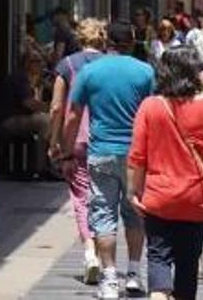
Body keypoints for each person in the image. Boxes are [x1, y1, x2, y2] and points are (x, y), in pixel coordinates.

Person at [62, 20, 156, 299]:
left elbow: (73, 115)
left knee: (103, 215)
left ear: (107, 41)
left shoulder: (89, 72)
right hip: (136, 155)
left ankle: (110, 279)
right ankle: (134, 274)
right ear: (132, 41)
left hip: (101, 151)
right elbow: (155, 111)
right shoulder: (145, 71)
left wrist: (66, 150)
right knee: (135, 213)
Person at [127, 46, 203, 300]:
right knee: (188, 263)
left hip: (159, 196)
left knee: (158, 256)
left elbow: (137, 155)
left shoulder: (150, 106)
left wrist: (133, 190)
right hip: (196, 196)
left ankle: (158, 294)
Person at [48, 18, 107, 284]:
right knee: (105, 200)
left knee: (81, 199)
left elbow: (56, 107)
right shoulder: (110, 64)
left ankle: (90, 252)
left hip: (76, 140)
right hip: (105, 139)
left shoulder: (67, 65)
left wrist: (54, 140)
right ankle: (107, 257)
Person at [0, 48, 52, 162]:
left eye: (41, 61)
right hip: (8, 121)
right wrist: (51, 107)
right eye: (36, 61)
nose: (41, 65)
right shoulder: (20, 78)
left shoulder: (34, 80)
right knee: (45, 121)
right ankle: (42, 163)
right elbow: (29, 104)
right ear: (27, 63)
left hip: (22, 118)